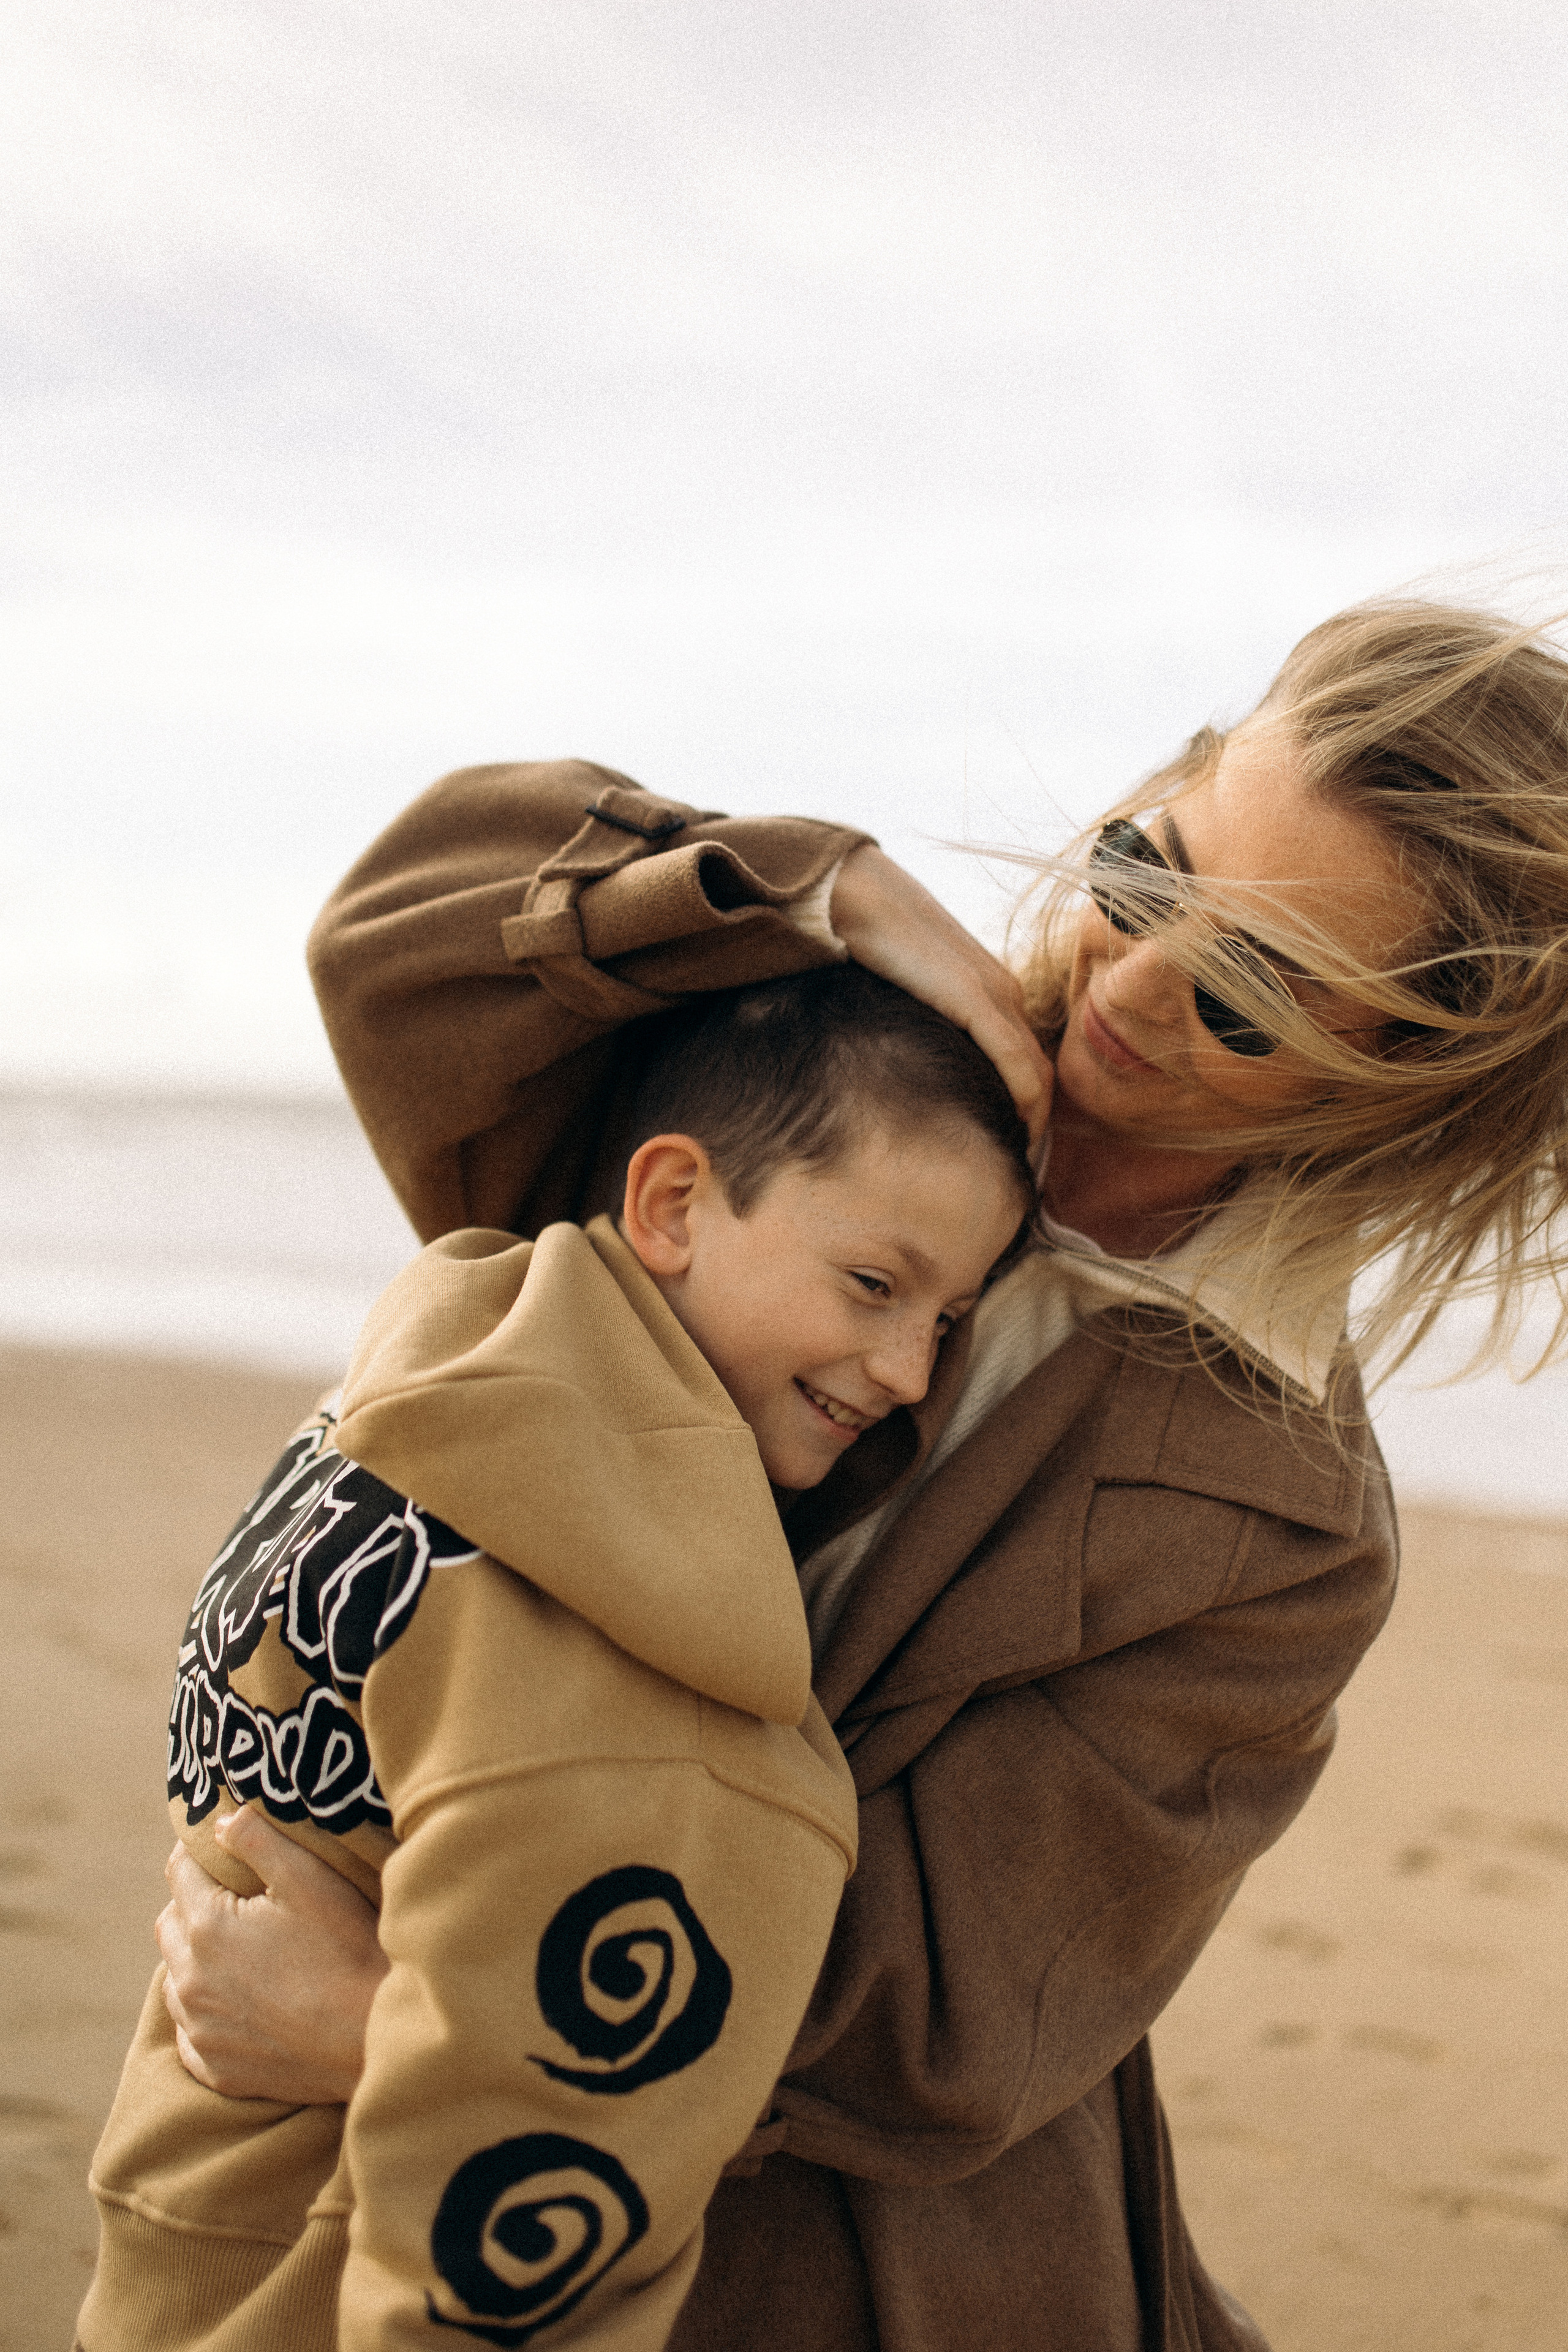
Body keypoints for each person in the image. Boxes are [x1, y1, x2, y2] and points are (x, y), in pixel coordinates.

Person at [156, 598, 1568, 2351]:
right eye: (1148, 873)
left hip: (799, 2254)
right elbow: (398, 942)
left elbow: (938, 2014)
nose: (1127, 986)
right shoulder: (804, 1048)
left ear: (1406, 1070)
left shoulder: (1278, 1524)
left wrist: (423, 2038)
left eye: (1255, 988)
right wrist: (824, 887)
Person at [77, 968, 1036, 2352]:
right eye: (874, 1285)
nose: (906, 1371)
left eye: (946, 1321)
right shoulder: (644, 1689)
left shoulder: (415, 1393)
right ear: (672, 1204)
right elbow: (530, 2222)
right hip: (317, 2285)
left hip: (173, 2222)